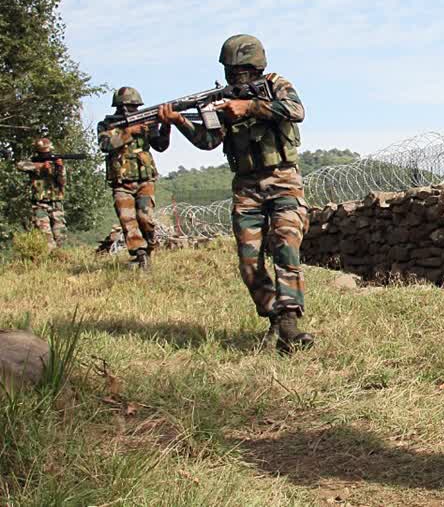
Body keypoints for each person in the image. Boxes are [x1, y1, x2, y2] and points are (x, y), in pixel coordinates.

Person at [156, 34, 314, 354]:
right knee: (249, 263)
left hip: (283, 180)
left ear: (255, 66)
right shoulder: (221, 101)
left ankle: (289, 324)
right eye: (230, 70)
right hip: (246, 188)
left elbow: (297, 110)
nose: (234, 75)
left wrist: (249, 106)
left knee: (285, 245)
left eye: (240, 69)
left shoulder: (276, 84)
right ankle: (273, 316)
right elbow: (208, 141)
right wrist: (179, 121)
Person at [98, 86, 171, 269]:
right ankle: (140, 255)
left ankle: (149, 248)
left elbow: (160, 146)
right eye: (129, 107)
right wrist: (130, 132)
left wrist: (166, 126)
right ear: (119, 108)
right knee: (128, 220)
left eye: (135, 106)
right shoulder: (106, 125)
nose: (132, 110)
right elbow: (105, 144)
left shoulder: (147, 122)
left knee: (145, 218)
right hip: (121, 183)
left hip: (145, 180)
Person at [15, 137, 68, 248]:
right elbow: (20, 165)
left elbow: (62, 182)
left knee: (61, 237)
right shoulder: (33, 162)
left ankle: (60, 260)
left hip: (56, 203)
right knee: (46, 238)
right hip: (39, 204)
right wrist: (40, 166)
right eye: (43, 152)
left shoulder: (56, 163)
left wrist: (60, 168)